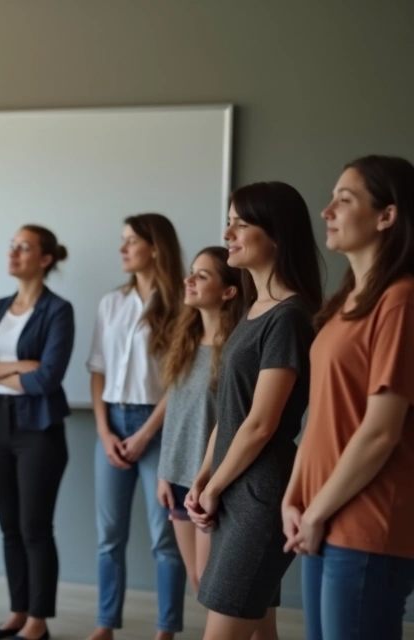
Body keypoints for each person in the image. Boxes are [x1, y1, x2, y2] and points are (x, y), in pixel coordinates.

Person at [282, 155, 414, 640]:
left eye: (345, 199)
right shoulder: (345, 303)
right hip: (322, 516)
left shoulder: (400, 299)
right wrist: (294, 498)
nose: (326, 211)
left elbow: (381, 430)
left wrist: (315, 511)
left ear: (387, 216)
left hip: (364, 524)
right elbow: (322, 414)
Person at [187, 181, 323, 640]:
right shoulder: (254, 310)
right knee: (261, 631)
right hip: (233, 489)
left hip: (259, 496)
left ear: (277, 235)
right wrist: (203, 479)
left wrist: (216, 486)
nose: (229, 234)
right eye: (229, 222)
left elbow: (262, 424)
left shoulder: (290, 316)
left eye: (241, 224)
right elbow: (229, 416)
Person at [0, 225, 75, 640]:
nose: (13, 253)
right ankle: (17, 610)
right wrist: (15, 367)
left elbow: (46, 379)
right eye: (12, 246)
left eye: (23, 247)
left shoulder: (58, 310)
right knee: (9, 526)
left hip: (39, 429)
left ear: (45, 259)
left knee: (35, 527)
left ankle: (37, 621)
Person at [86, 213, 186, 640]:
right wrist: (105, 432)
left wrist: (144, 434)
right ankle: (105, 624)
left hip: (158, 426)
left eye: (131, 241)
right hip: (111, 420)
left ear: (156, 248)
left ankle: (166, 631)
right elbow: (97, 372)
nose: (123, 249)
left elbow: (182, 380)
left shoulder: (183, 302)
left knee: (165, 538)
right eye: (123, 240)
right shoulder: (111, 303)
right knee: (109, 536)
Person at [155, 246, 243, 601]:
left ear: (228, 291)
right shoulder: (186, 341)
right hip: (177, 478)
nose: (188, 280)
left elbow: (235, 422)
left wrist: (209, 483)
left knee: (214, 588)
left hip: (211, 484)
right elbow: (176, 411)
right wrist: (164, 471)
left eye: (202, 275)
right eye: (191, 272)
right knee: (196, 582)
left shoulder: (237, 348)